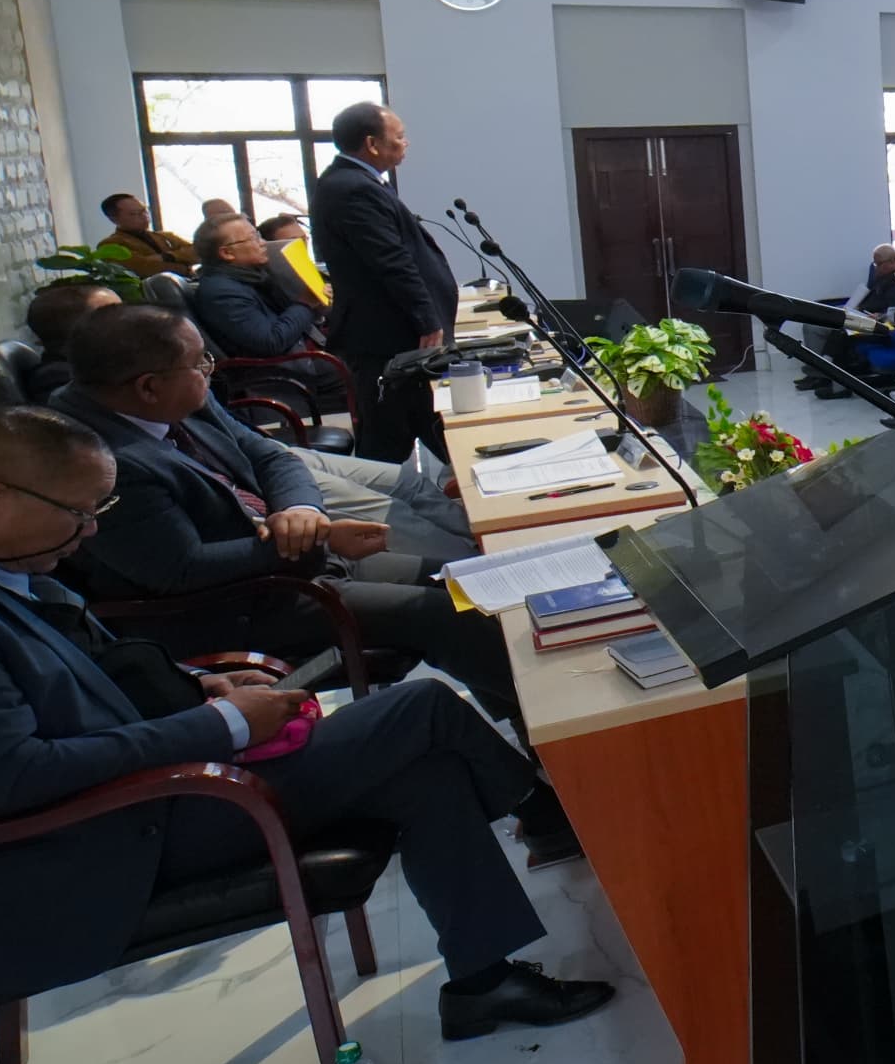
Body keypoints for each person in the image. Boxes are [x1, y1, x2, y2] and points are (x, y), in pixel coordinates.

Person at [0, 408, 615, 1036]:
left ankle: (484, 978)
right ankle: (569, 814)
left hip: (129, 801)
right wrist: (225, 728)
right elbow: (10, 778)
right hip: (84, 848)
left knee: (422, 765)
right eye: (81, 515)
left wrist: (198, 686)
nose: (90, 535)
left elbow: (62, 687)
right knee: (422, 707)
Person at [41, 307, 577, 862]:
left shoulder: (176, 405)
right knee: (446, 615)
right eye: (198, 362)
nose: (212, 368)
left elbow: (269, 454)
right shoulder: (99, 459)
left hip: (292, 567)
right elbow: (180, 570)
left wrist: (299, 509)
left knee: (465, 587)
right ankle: (543, 795)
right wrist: (299, 543)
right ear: (149, 387)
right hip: (247, 603)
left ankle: (547, 747)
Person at [307, 102, 457, 461]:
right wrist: (426, 317)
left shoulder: (358, 182)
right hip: (386, 334)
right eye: (400, 137)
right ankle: (385, 509)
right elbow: (389, 260)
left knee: (422, 420)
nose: (406, 143)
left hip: (391, 331)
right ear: (372, 144)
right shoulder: (353, 188)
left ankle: (451, 495)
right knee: (388, 435)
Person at [187, 214, 324, 362]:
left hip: (304, 351)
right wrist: (305, 304)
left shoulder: (253, 276)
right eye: (254, 238)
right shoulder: (221, 293)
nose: (263, 243)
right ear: (227, 253)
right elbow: (271, 342)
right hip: (285, 370)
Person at [95, 192, 197, 279]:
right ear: (113, 219)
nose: (144, 216)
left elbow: (199, 251)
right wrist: (184, 267)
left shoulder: (166, 236)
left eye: (144, 211)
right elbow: (144, 269)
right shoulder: (110, 245)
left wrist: (168, 257)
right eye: (134, 213)